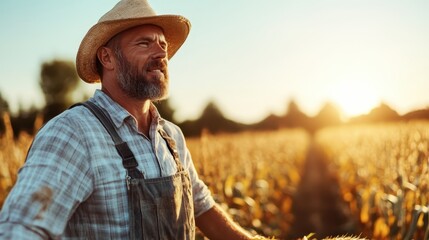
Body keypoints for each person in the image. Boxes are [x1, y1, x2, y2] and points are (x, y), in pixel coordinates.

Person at [0, 0, 268, 239]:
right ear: (107, 57)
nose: (162, 54)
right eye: (144, 43)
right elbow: (22, 227)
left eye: (163, 45)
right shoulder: (72, 133)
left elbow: (201, 205)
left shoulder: (171, 136)